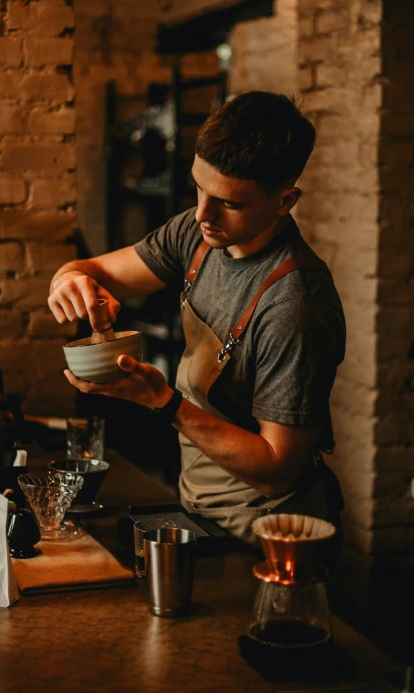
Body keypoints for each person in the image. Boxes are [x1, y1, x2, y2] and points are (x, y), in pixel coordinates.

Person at [48, 91, 346, 546]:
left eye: (229, 202)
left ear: (285, 201)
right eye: (198, 188)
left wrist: (163, 402)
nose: (203, 214)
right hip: (199, 506)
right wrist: (68, 280)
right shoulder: (198, 233)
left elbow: (277, 471)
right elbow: (95, 271)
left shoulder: (295, 306)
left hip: (267, 531)